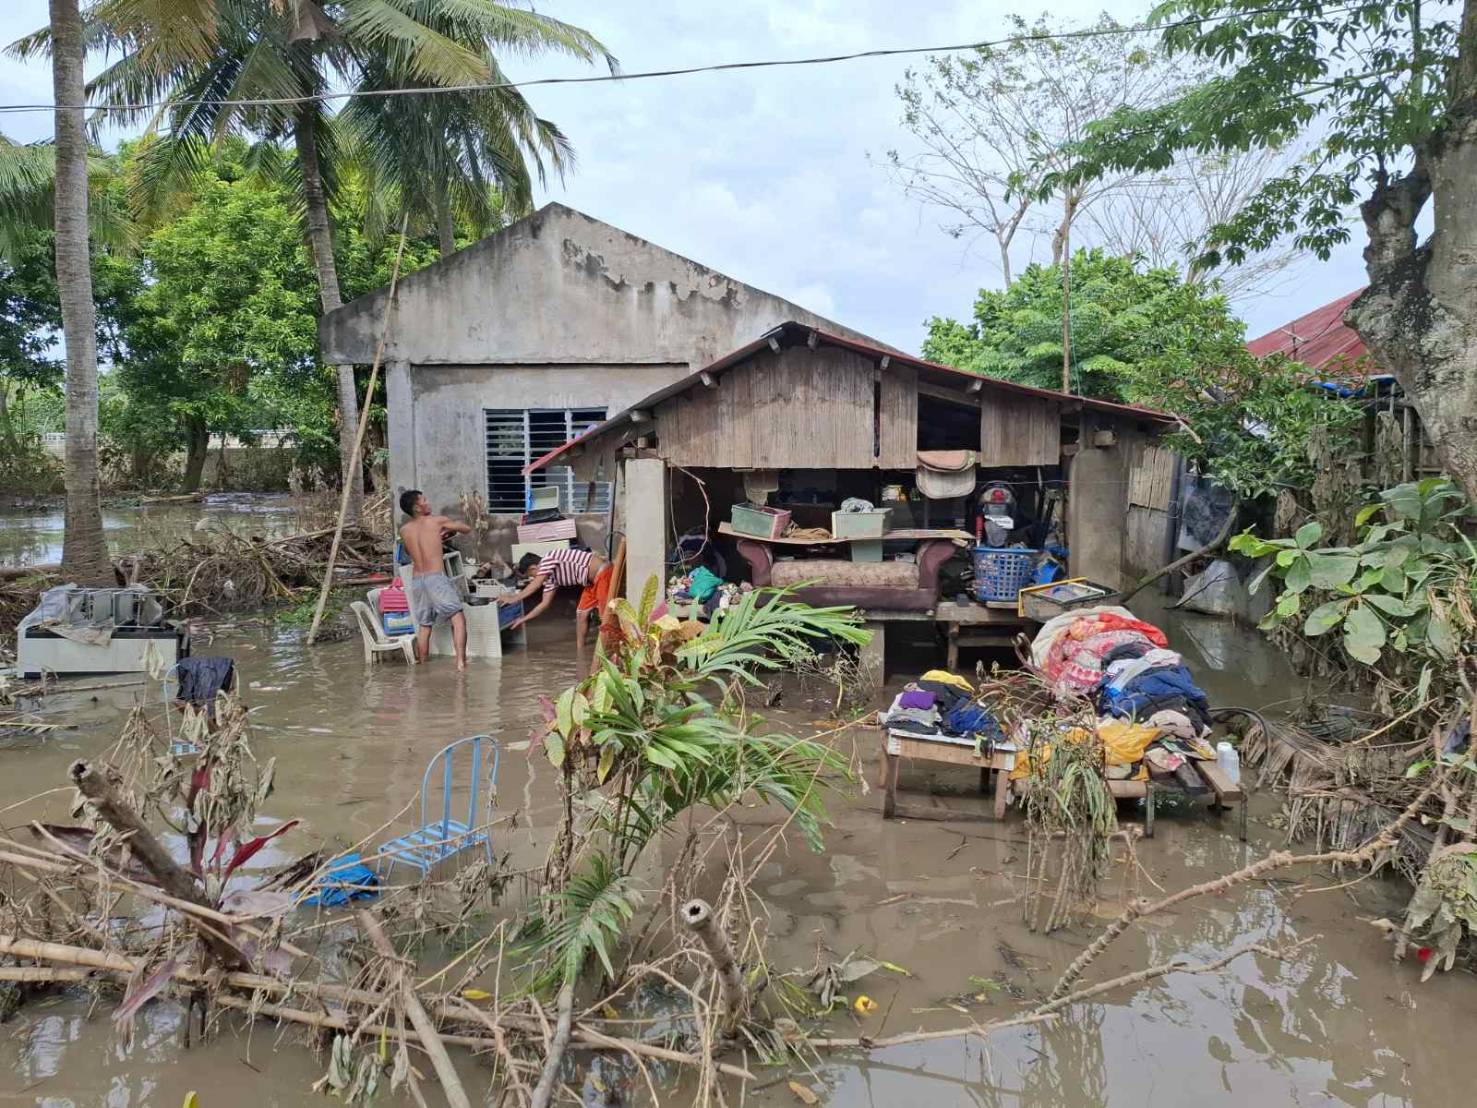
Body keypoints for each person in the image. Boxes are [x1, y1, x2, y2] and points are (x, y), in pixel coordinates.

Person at [398, 489, 472, 669]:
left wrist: (438, 538)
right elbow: (466, 529)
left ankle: (422, 665)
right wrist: (449, 528)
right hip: (435, 578)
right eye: (425, 500)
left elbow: (410, 551)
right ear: (417, 507)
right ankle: (461, 664)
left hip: (417, 580)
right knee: (458, 617)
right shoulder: (437, 521)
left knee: (425, 625)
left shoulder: (404, 530)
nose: (428, 502)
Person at [500, 546, 610, 641]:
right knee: (581, 615)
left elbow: (536, 584)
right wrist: (523, 619)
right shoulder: (551, 579)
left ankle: (611, 651)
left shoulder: (548, 558)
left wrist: (514, 598)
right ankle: (580, 653)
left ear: (533, 568)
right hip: (591, 584)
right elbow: (544, 604)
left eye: (532, 575)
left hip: (603, 573)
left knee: (605, 616)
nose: (534, 578)